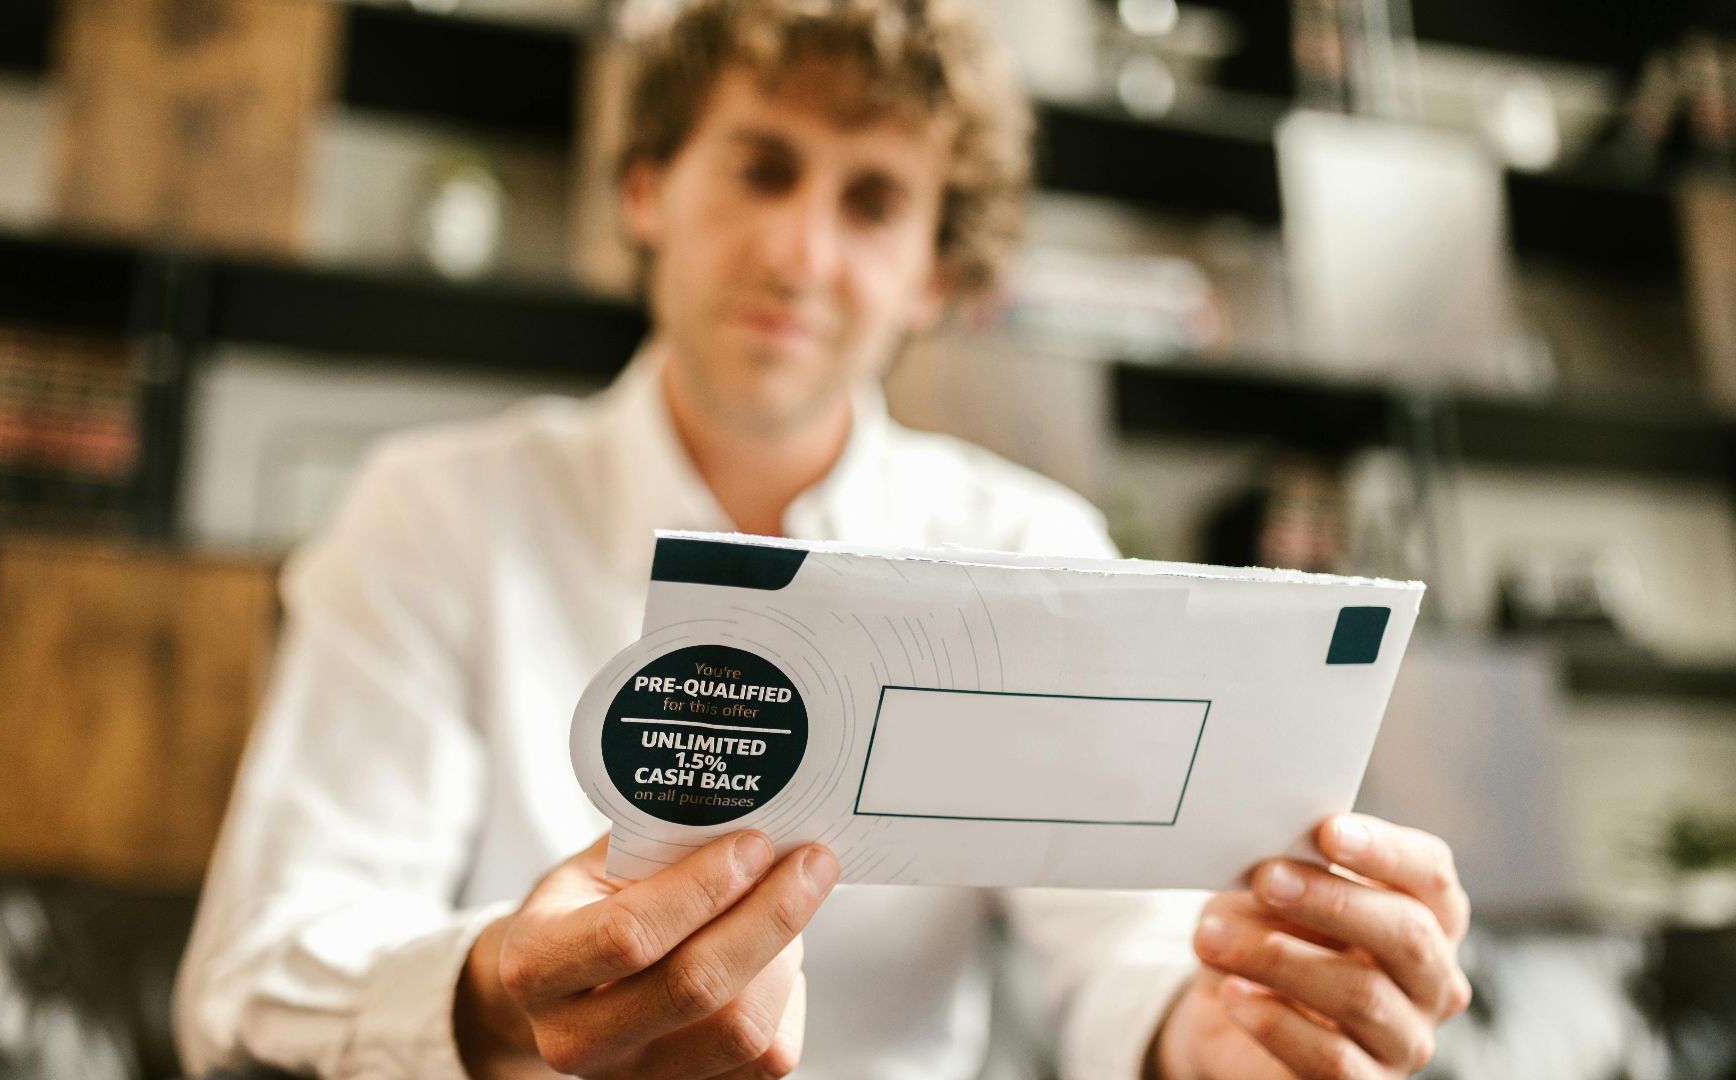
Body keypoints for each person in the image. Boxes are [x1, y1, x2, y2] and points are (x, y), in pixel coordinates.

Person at [174, 1, 1473, 1077]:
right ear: (646, 188)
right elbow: (255, 973)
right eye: (762, 167)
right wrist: (497, 995)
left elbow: (1122, 957)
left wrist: (1240, 1035)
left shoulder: (1031, 549)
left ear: (933, 277)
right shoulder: (436, 514)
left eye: (872, 202)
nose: (801, 252)